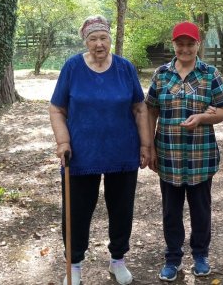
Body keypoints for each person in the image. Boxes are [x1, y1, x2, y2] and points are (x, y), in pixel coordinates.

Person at [49, 15, 151, 285]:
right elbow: (57, 109)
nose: (99, 44)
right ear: (86, 41)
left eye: (103, 37)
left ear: (110, 39)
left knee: (121, 208)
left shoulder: (124, 68)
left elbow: (140, 108)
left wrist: (145, 144)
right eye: (93, 38)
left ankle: (118, 259)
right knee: (77, 210)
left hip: (122, 152)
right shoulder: (72, 67)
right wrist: (63, 142)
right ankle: (75, 263)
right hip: (81, 154)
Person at [146, 21, 223, 282]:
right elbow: (151, 110)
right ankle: (172, 259)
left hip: (200, 156)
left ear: (198, 44)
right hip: (168, 155)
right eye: (180, 43)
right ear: (174, 45)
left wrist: (203, 119)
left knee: (201, 209)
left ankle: (200, 256)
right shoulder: (161, 74)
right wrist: (149, 145)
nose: (185, 48)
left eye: (190, 43)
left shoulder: (209, 74)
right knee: (171, 211)